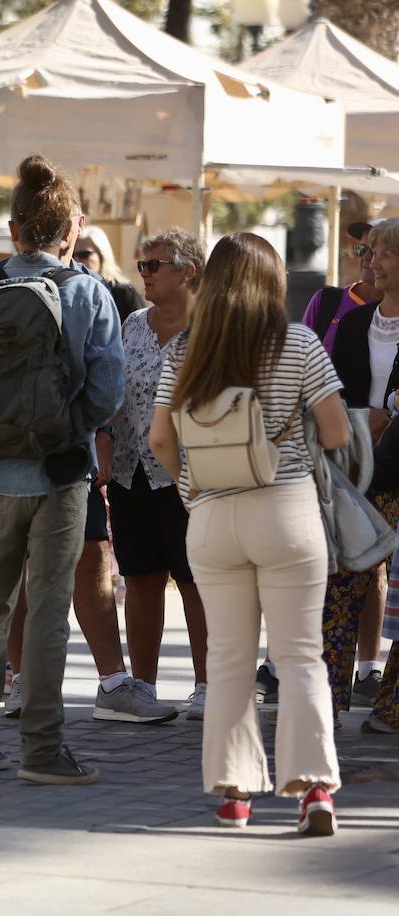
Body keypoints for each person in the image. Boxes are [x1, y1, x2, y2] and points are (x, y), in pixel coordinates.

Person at [149, 231, 348, 835]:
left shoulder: (187, 350)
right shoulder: (300, 341)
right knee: (299, 656)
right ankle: (314, 790)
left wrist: (192, 492)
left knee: (228, 658)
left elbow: (159, 439)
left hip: (212, 515)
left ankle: (235, 795)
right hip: (287, 510)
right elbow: (337, 432)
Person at [0, 154, 123, 785]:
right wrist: (73, 430)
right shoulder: (88, 293)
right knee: (47, 607)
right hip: (62, 471)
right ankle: (42, 750)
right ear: (70, 228)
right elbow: (108, 394)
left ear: (12, 230)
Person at [103, 228, 210, 717]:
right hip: (131, 471)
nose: (143, 273)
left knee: (196, 581)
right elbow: (112, 392)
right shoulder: (132, 325)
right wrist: (103, 441)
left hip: (191, 475)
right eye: (141, 265)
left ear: (187, 271)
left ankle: (209, 684)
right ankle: (142, 686)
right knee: (141, 576)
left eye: (154, 265)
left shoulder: (212, 331)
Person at [319, 217, 399, 716]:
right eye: (368, 253)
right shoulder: (352, 323)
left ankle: (392, 706)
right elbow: (337, 392)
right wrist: (360, 420)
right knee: (340, 588)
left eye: (384, 253)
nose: (371, 262)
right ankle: (323, 698)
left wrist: (387, 417)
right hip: (357, 473)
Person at [300, 220, 379, 354]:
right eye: (362, 249)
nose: (365, 257)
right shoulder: (326, 301)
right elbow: (300, 356)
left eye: (374, 251)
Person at [73, 225, 145, 321]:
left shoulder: (124, 293)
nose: (77, 261)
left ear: (102, 256)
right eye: (73, 256)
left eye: (84, 255)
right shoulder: (71, 292)